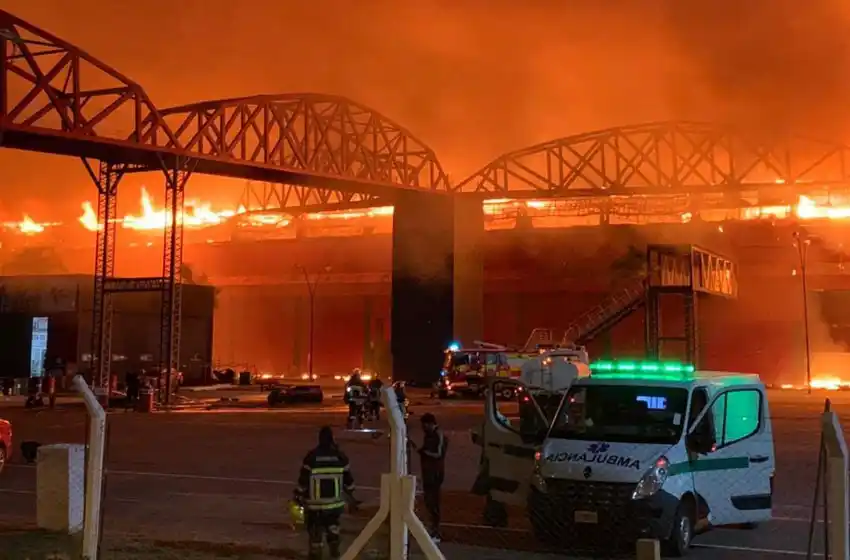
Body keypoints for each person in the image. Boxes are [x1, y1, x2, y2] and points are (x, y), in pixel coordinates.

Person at [294, 426, 356, 560]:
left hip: (314, 505)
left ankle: (316, 553)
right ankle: (334, 550)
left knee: (315, 532)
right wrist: (351, 495)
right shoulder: (340, 457)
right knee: (332, 526)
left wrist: (298, 495)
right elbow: (349, 482)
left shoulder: (311, 457)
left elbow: (303, 481)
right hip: (334, 504)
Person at [415, 412, 448, 542]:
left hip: (435, 472)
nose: (423, 428)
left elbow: (438, 454)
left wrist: (424, 452)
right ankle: (432, 529)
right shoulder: (428, 435)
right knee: (429, 501)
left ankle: (436, 531)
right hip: (428, 472)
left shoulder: (438, 436)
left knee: (434, 501)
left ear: (430, 424)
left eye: (424, 425)